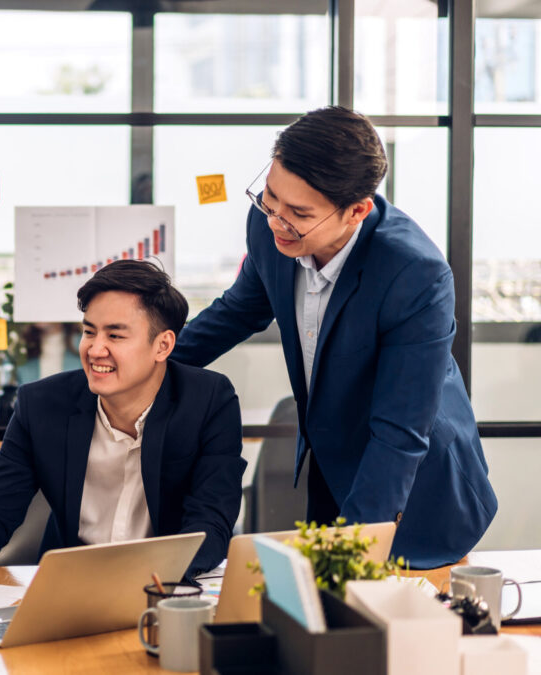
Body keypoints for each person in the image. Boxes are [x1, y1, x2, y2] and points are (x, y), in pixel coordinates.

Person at [172, 106, 497, 568]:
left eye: (298, 213)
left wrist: (348, 554)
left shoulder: (415, 274)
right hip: (332, 460)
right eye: (270, 197)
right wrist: (151, 362)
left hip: (419, 487)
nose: (275, 220)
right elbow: (240, 310)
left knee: (395, 619)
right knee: (326, 625)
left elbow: (399, 433)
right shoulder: (272, 229)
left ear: (357, 211)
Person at [0, 260, 245, 580]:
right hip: (72, 586)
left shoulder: (208, 401)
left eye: (115, 336)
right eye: (89, 332)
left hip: (165, 586)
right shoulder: (42, 405)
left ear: (163, 346)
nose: (94, 349)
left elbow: (211, 522)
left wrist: (151, 579)